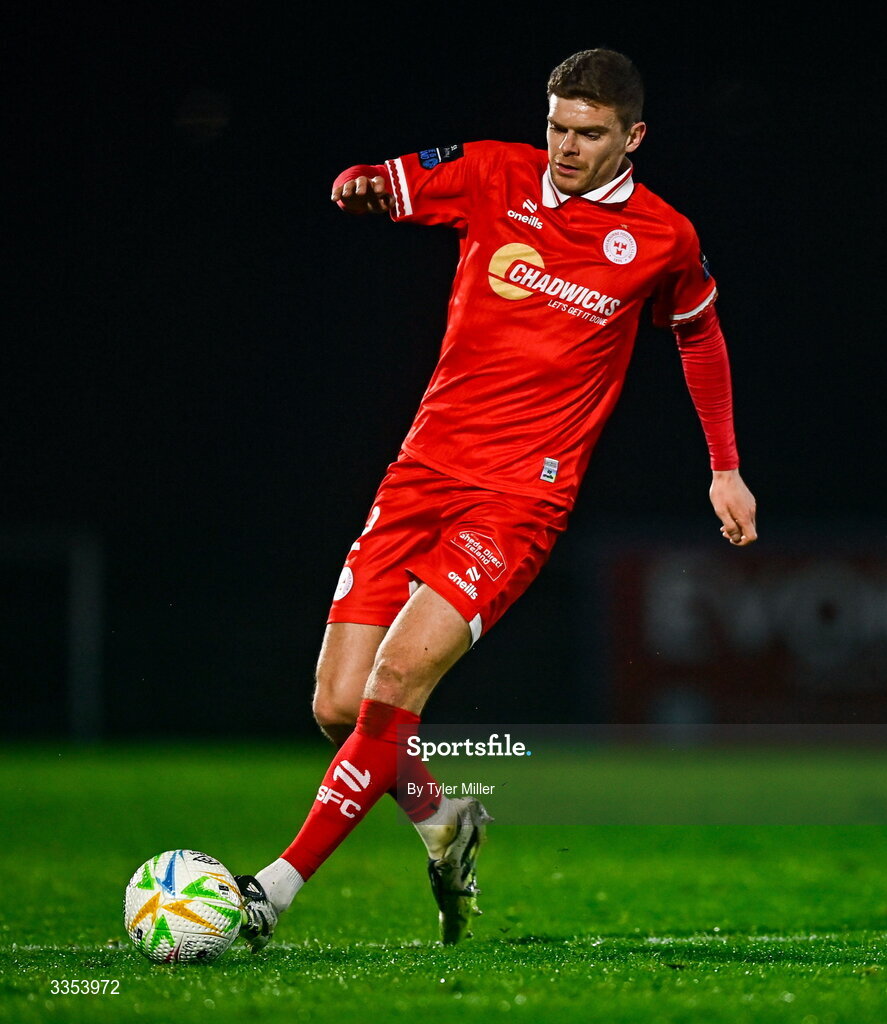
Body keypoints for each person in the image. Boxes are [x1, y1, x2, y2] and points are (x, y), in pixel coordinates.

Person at [234, 47, 757, 950]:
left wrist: (723, 465)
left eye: (588, 134)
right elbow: (381, 180)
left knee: (397, 681)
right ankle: (443, 823)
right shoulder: (492, 172)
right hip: (420, 473)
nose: (564, 147)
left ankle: (269, 894)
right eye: (556, 126)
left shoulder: (662, 238)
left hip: (518, 501)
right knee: (336, 705)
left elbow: (698, 337)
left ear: (632, 137)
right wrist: (357, 185)